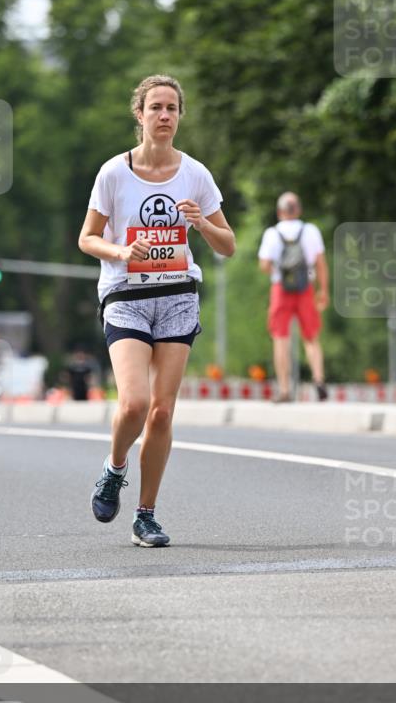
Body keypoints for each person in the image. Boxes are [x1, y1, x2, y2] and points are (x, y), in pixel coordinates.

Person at [78, 74, 235, 547]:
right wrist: (122, 253)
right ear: (140, 115)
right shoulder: (113, 173)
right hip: (125, 297)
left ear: (179, 116)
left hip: (177, 296)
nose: (164, 116)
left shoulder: (196, 174)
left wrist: (201, 222)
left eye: (172, 108)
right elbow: (86, 238)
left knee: (162, 414)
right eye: (156, 108)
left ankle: (145, 515)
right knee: (134, 404)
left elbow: (227, 244)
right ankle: (114, 468)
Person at [258, 192, 329, 402]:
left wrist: (278, 272)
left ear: (279, 212)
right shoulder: (310, 231)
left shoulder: (272, 233)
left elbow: (264, 265)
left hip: (281, 288)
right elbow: (320, 262)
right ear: (298, 210)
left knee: (281, 338)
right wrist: (323, 290)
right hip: (305, 287)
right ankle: (318, 378)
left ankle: (285, 389)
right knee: (311, 337)